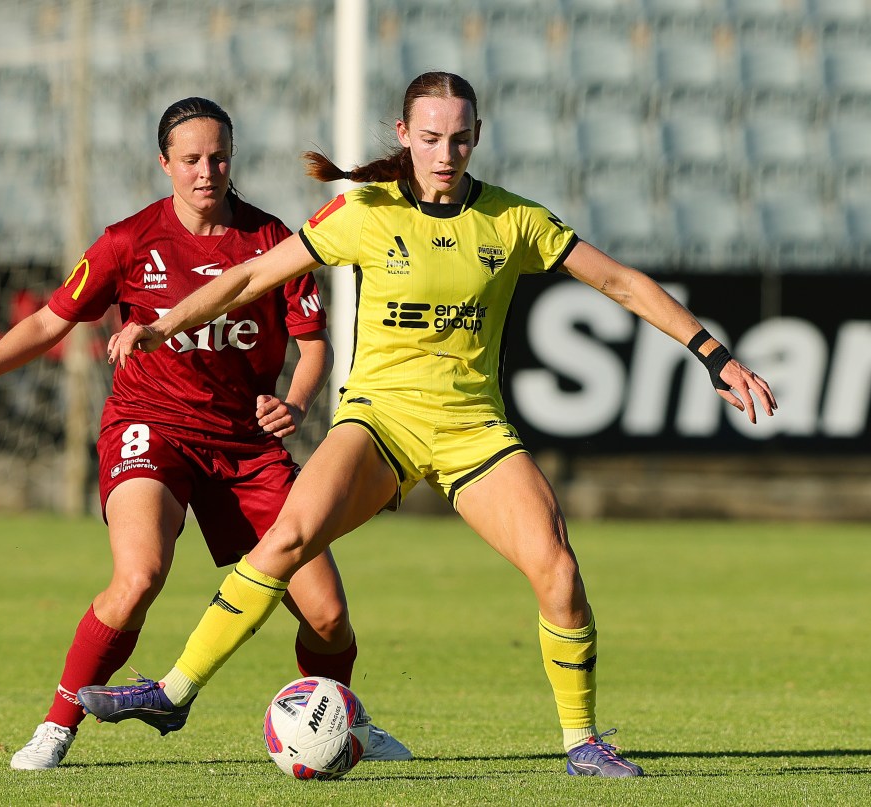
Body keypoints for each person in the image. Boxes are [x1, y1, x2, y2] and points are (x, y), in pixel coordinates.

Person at [81, 73, 777, 778]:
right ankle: (172, 693)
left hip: (474, 432)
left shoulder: (513, 220)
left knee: (559, 570)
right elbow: (248, 278)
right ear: (404, 135)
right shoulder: (365, 212)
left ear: (478, 137)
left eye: (460, 139)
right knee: (285, 539)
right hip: (378, 423)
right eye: (432, 137)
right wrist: (165, 323)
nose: (446, 154)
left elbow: (620, 281)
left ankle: (582, 742)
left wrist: (713, 355)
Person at [0, 97, 411, 771]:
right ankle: (57, 725)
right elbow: (50, 320)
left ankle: (340, 722)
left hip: (246, 446)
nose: (205, 172)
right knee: (139, 576)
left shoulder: (273, 240)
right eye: (190, 159)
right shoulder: (128, 241)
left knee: (329, 615)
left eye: (218, 157)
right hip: (150, 426)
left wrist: (297, 403)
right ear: (164, 163)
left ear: (232, 158)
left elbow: (314, 345)